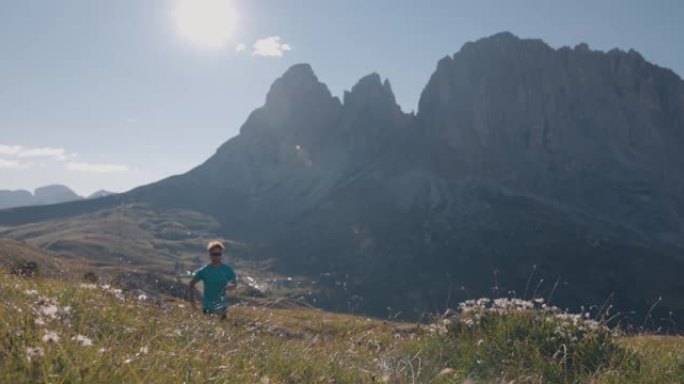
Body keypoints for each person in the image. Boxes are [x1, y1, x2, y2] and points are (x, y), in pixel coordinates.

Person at [189, 240, 237, 316]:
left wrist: (232, 286)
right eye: (214, 254)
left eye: (219, 254)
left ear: (222, 254)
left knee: (223, 327)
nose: (217, 256)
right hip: (207, 308)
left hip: (222, 307)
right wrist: (192, 300)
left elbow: (234, 282)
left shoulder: (228, 269)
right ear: (210, 255)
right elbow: (191, 284)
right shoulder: (204, 271)